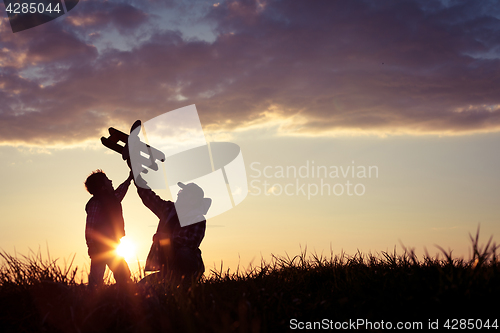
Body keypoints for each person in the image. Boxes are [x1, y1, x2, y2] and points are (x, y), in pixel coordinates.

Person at [134, 177, 211, 285]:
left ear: (193, 200)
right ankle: (171, 279)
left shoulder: (198, 218)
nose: (179, 194)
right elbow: (149, 197)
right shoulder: (168, 209)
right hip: (168, 268)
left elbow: (192, 242)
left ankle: (187, 281)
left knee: (183, 252)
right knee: (142, 286)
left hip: (189, 267)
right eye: (180, 191)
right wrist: (138, 179)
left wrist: (166, 238)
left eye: (184, 193)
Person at [84, 170, 132, 286]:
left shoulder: (111, 198)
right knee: (97, 277)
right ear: (102, 187)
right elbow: (90, 227)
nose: (111, 181)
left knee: (123, 273)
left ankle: (124, 293)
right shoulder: (96, 203)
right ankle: (94, 298)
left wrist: (129, 179)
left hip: (112, 243)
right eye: (107, 180)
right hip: (99, 247)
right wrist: (91, 246)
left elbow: (121, 191)